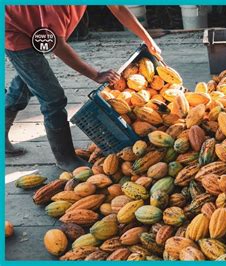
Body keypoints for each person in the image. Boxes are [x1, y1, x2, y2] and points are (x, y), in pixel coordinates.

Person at [5, 5, 161, 171]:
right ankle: (65, 158)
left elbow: (118, 8)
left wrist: (148, 39)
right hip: (14, 30)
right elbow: (56, 44)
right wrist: (95, 74)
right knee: (52, 98)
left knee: (30, 81)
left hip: (34, 25)